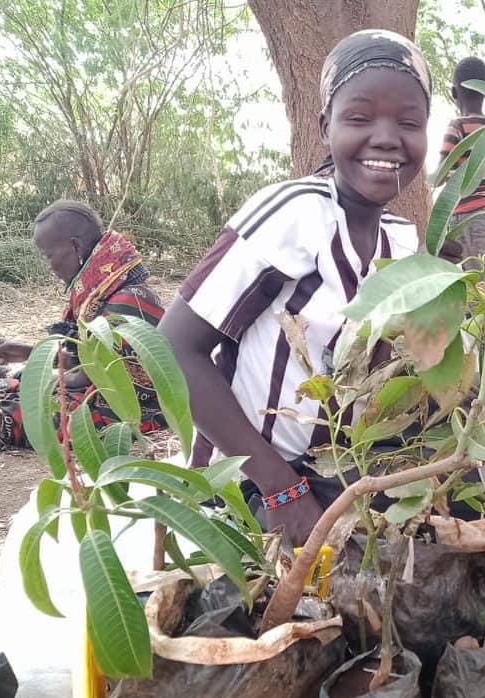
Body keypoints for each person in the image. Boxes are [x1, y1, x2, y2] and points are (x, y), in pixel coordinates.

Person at [160, 30, 431, 545]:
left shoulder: (401, 241)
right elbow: (173, 348)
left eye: (409, 122)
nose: (386, 138)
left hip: (337, 479)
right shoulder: (294, 215)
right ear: (325, 126)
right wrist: (281, 488)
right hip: (250, 485)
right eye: (359, 118)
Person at [0, 200, 166, 451]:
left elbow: (84, 376)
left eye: (49, 255)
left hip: (125, 409)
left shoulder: (128, 300)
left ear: (75, 246)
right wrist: (29, 354)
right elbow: (87, 360)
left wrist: (16, 374)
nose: (49, 266)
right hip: (92, 388)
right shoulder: (104, 290)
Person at [436, 56, 485, 267]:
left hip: (465, 218)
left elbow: (440, 175)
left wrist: (462, 179)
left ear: (454, 93)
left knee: (469, 284)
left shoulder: (457, 126)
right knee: (482, 280)